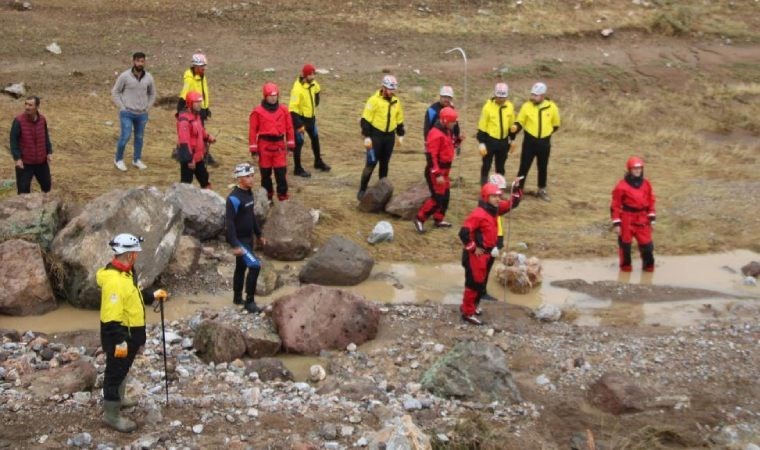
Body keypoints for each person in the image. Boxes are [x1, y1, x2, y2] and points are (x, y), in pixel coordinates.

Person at [97, 233, 168, 432]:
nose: (137, 255)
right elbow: (111, 318)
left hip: (131, 335)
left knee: (123, 368)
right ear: (128, 255)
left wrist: (152, 295)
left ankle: (119, 398)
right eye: (135, 253)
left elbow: (133, 296)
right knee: (114, 373)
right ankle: (111, 416)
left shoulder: (126, 273)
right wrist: (120, 342)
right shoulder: (115, 281)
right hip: (121, 337)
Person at [458, 180, 522, 325]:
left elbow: (512, 203)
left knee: (480, 283)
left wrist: (516, 188)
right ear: (486, 197)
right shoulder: (478, 214)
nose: (498, 199)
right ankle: (467, 312)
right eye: (494, 196)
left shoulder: (495, 209)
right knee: (474, 284)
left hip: (486, 255)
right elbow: (463, 233)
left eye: (499, 196)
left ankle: (472, 306)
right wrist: (473, 248)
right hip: (476, 256)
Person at [226, 163, 268, 313]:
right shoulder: (233, 198)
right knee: (255, 266)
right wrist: (235, 245)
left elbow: (251, 216)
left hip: (249, 238)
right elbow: (229, 224)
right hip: (240, 240)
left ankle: (237, 298)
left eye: (252, 176)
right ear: (239, 178)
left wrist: (259, 234)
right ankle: (249, 302)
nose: (251, 179)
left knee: (240, 268)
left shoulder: (249, 193)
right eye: (247, 176)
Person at [358, 75, 405, 200]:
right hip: (375, 136)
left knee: (384, 164)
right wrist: (367, 136)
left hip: (389, 137)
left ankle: (382, 191)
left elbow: (399, 119)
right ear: (383, 88)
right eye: (390, 89)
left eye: (394, 89)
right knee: (371, 163)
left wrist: (400, 134)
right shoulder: (374, 100)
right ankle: (362, 189)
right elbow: (365, 120)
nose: (392, 92)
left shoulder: (396, 101)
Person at [512, 82, 561, 201]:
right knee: (524, 166)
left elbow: (556, 125)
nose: (533, 97)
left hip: (544, 142)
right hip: (529, 141)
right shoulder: (526, 106)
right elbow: (520, 122)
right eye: (532, 94)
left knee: (543, 167)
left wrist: (546, 134)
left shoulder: (552, 107)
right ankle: (518, 191)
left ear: (542, 96)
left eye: (536, 95)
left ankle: (541, 189)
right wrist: (515, 129)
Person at [414, 106, 458, 233]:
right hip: (436, 171)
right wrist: (437, 174)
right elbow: (431, 156)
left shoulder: (447, 131)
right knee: (437, 197)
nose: (454, 124)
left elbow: (448, 145)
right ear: (445, 121)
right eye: (452, 122)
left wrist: (457, 142)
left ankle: (438, 219)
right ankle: (419, 219)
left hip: (445, 170)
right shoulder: (435, 134)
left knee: (446, 196)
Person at [249, 82, 295, 202]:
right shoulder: (257, 112)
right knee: (265, 174)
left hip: (279, 145)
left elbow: (290, 128)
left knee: (281, 173)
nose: (273, 98)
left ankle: (283, 197)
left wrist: (290, 146)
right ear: (265, 96)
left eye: (275, 95)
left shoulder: (284, 110)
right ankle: (267, 197)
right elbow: (252, 131)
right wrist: (254, 150)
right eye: (270, 95)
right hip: (264, 146)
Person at [111, 52, 156, 171]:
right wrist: (122, 106)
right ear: (133, 61)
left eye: (142, 61)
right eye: (138, 61)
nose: (140, 64)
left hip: (142, 113)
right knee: (125, 136)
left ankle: (136, 159)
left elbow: (152, 93)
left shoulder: (149, 77)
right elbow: (115, 91)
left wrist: (147, 107)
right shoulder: (124, 76)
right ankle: (118, 159)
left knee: (139, 137)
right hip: (127, 112)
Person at [610, 156, 656, 272]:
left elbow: (651, 200)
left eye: (639, 168)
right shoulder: (621, 186)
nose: (637, 171)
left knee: (647, 246)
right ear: (630, 170)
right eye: (635, 169)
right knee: (625, 246)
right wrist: (617, 223)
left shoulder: (646, 184)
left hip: (643, 218)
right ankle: (625, 270)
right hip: (627, 218)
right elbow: (615, 205)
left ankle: (648, 269)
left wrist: (652, 216)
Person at [289, 63, 331, 177]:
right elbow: (292, 109)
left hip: (311, 119)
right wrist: (298, 124)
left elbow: (317, 88)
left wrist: (317, 98)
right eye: (311, 75)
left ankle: (318, 161)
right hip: (301, 120)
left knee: (315, 139)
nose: (313, 77)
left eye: (314, 74)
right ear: (305, 75)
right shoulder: (297, 89)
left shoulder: (313, 83)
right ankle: (297, 168)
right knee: (299, 143)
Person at [178, 52, 219, 167]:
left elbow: (203, 92)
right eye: (202, 67)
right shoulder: (190, 78)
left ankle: (183, 152)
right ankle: (204, 155)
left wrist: (206, 108)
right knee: (198, 134)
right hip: (193, 111)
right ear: (195, 66)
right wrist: (181, 110)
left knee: (199, 133)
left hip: (201, 109)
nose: (204, 69)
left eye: (204, 66)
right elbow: (184, 94)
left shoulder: (201, 76)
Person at [9, 96, 52, 194]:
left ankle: (46, 208)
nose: (27, 107)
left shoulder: (42, 120)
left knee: (47, 187)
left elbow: (45, 136)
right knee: (23, 192)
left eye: (30, 105)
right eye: (26, 104)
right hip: (25, 163)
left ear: (37, 106)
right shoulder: (18, 121)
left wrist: (49, 152)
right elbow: (13, 141)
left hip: (41, 162)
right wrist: (17, 158)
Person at [476, 82, 515, 186]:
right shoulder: (487, 107)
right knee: (486, 164)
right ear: (495, 95)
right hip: (490, 140)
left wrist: (512, 140)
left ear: (506, 96)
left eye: (503, 97)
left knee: (501, 165)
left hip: (503, 141)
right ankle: (484, 184)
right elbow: (482, 126)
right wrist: (481, 142)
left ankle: (500, 184)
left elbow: (511, 125)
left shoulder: (510, 107)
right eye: (499, 97)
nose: (501, 99)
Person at [176, 91, 216, 188]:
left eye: (200, 102)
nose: (199, 105)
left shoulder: (197, 116)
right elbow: (184, 141)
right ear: (190, 103)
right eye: (196, 102)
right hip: (189, 158)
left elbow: (200, 130)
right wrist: (190, 160)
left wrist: (207, 137)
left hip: (199, 157)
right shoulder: (184, 120)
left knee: (205, 181)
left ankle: (208, 200)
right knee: (186, 185)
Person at [481, 173, 509, 302]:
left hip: (497, 237)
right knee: (483, 267)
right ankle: (480, 293)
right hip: (489, 241)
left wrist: (517, 192)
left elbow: (509, 205)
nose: (501, 194)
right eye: (499, 191)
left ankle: (481, 291)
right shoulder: (487, 206)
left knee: (487, 266)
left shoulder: (494, 204)